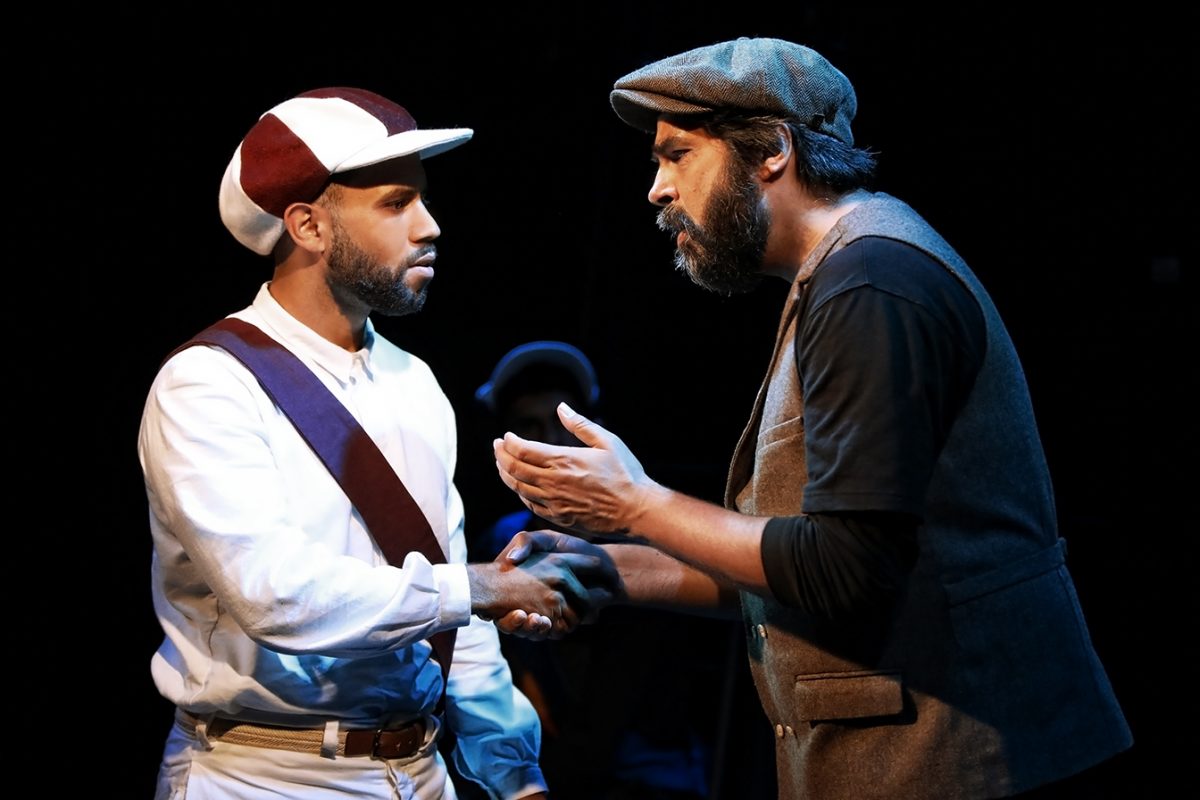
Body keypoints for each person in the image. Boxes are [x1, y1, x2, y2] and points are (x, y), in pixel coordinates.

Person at [491, 38, 1134, 799]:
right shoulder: (839, 275)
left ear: (771, 152)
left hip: (962, 761)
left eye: (678, 155)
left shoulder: (873, 282)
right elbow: (790, 562)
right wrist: (608, 566)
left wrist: (635, 504)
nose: (657, 190)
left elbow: (845, 569)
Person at [138, 86, 615, 800]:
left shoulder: (415, 381)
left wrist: (513, 772)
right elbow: (273, 593)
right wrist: (482, 586)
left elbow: (454, 605)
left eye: (422, 200)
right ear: (308, 226)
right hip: (265, 776)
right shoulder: (207, 386)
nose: (430, 226)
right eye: (396, 203)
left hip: (420, 773)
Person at [474, 342, 717, 800]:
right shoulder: (500, 542)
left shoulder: (649, 530)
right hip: (550, 772)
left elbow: (630, 683)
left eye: (563, 422)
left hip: (650, 774)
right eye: (529, 427)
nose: (550, 440)